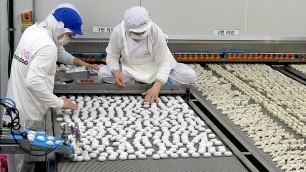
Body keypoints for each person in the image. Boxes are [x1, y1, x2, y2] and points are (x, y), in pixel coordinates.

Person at [3, 3, 97, 172]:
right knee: (27, 161)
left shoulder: (34, 30)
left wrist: (81, 63)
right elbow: (34, 82)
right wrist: (59, 102)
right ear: (59, 27)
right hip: (28, 114)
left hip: (13, 107)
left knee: (13, 156)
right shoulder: (47, 45)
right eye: (70, 34)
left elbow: (59, 52)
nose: (71, 38)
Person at [99, 6, 196, 102]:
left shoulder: (155, 31)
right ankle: (139, 81)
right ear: (127, 28)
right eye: (137, 33)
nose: (141, 34)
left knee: (189, 76)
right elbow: (112, 56)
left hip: (156, 68)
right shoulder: (118, 31)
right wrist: (116, 72)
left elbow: (164, 62)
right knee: (103, 73)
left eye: (143, 31)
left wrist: (157, 86)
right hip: (131, 69)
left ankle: (151, 82)